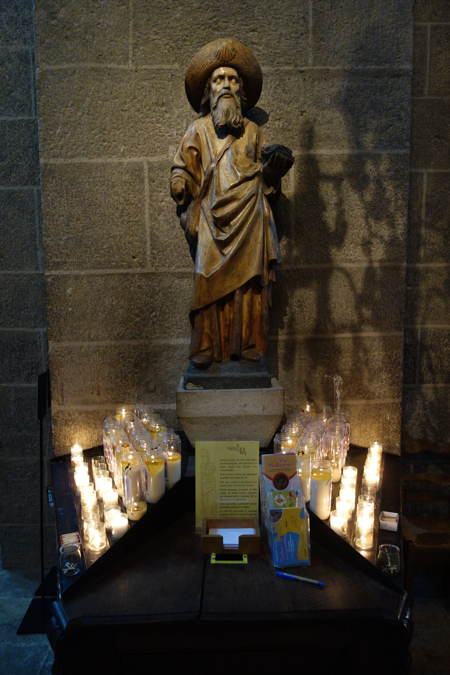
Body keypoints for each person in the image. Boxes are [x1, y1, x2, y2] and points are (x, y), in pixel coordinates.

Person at [170, 38, 293, 368]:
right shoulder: (198, 130)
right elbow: (183, 167)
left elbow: (266, 178)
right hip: (212, 217)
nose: (226, 85)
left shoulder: (253, 131)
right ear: (208, 91)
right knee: (208, 282)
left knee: (249, 285)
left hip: (250, 215)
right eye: (218, 79)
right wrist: (180, 182)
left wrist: (274, 170)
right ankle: (207, 347)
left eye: (233, 79)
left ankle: (249, 343)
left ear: (242, 91)